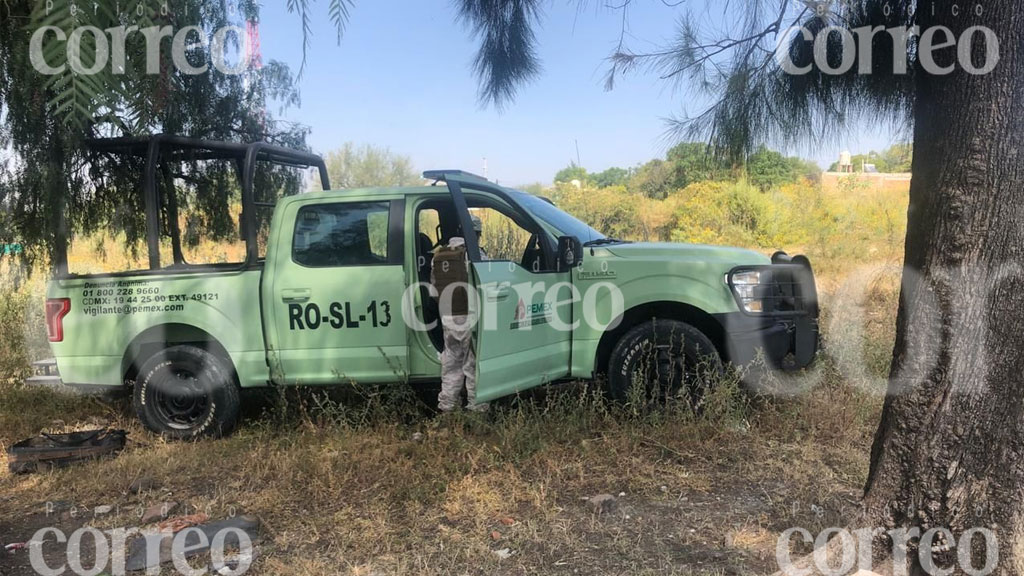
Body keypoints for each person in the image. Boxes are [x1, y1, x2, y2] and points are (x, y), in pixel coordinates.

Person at [431, 236, 489, 413]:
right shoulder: (474, 253)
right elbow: (486, 282)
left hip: (447, 317)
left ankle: (447, 408)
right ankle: (477, 410)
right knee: (473, 365)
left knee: (451, 365)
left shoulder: (438, 256)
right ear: (476, 233)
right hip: (468, 316)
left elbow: (434, 289)